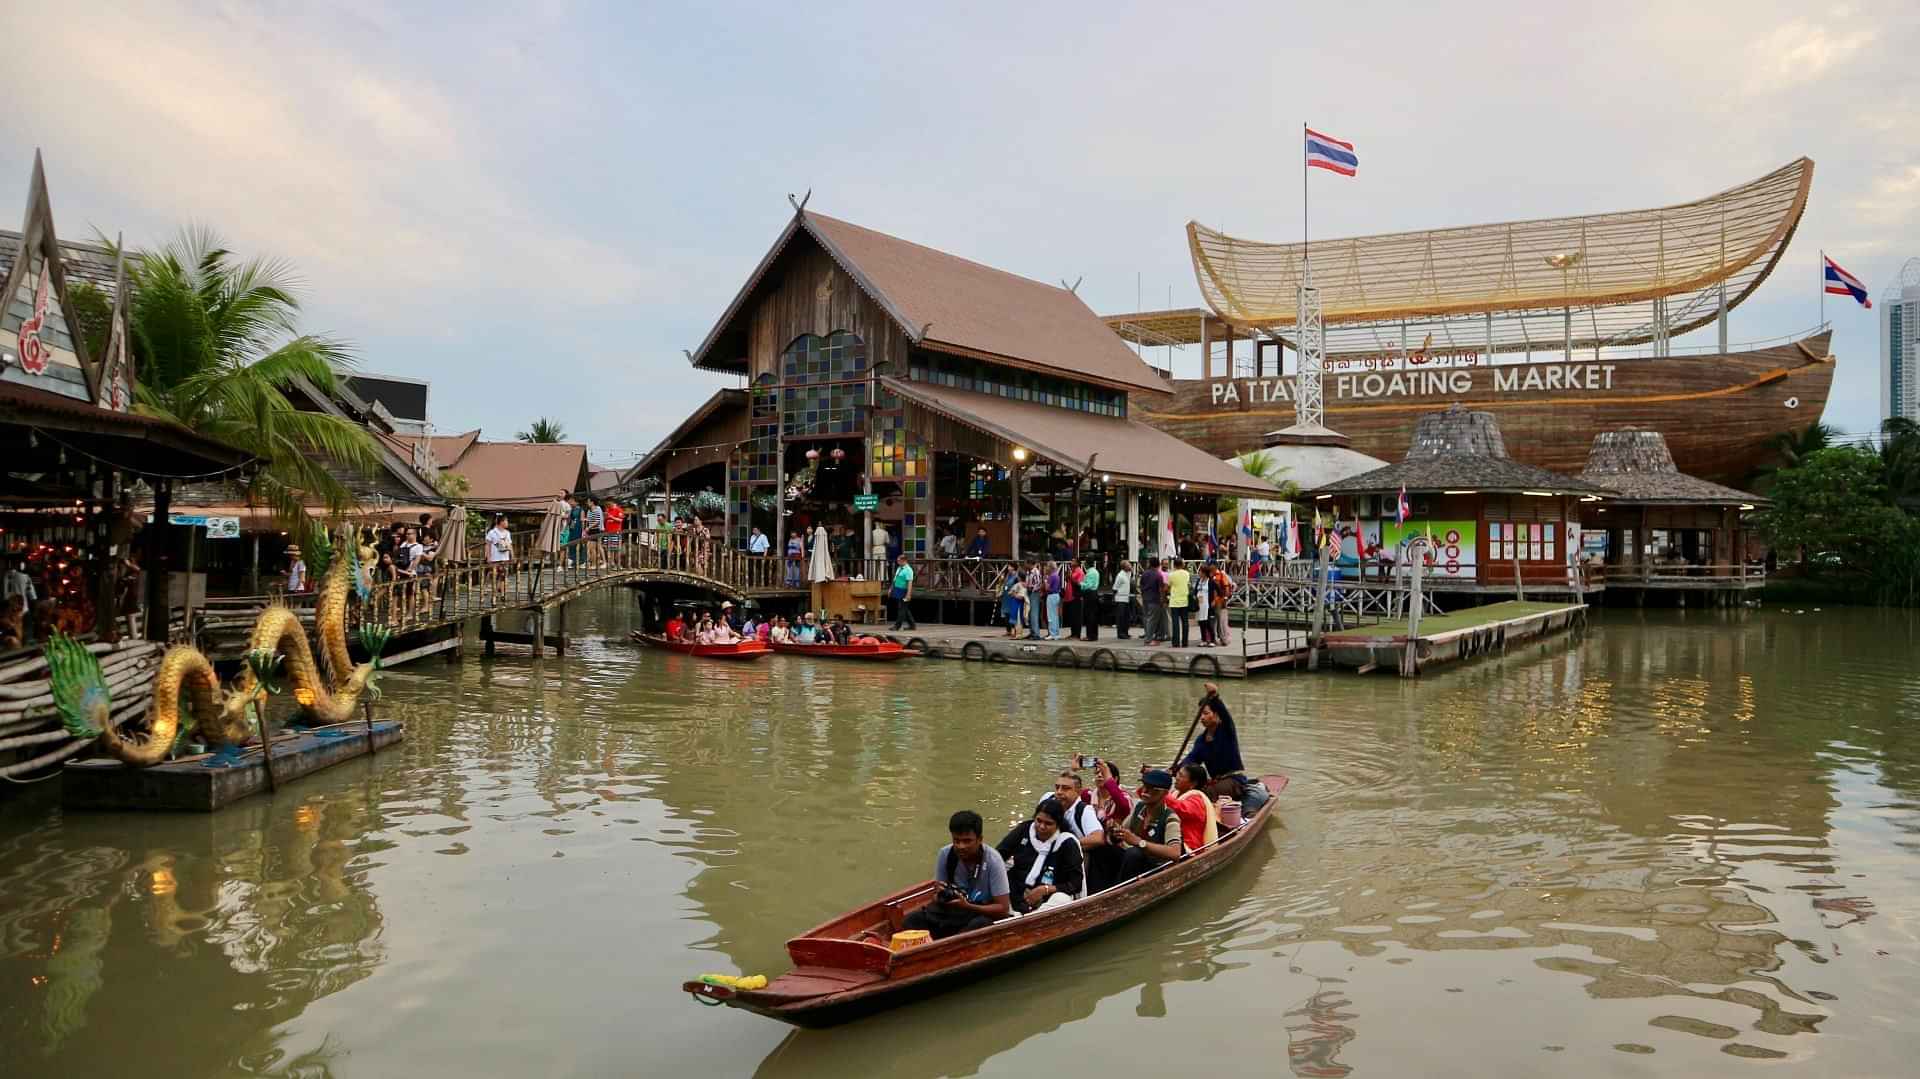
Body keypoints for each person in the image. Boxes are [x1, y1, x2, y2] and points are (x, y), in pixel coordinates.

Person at [902, 810, 1010, 939]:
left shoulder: (993, 860)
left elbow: (1003, 910)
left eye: (967, 841)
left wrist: (968, 906)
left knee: (981, 925)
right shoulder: (945, 854)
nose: (961, 846)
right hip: (952, 912)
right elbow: (937, 896)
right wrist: (939, 895)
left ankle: (945, 944)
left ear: (980, 839)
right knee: (912, 919)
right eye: (956, 840)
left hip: (977, 913)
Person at [1181, 685, 1268, 814]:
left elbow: (1225, 715)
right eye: (1200, 714)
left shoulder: (1226, 730)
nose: (1202, 718)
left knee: (1202, 794)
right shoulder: (1201, 740)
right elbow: (1191, 760)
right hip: (1217, 781)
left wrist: (1215, 696)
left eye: (1206, 713)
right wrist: (1172, 771)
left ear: (1216, 715)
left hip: (1234, 780)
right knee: (1188, 789)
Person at [995, 799, 1084, 914]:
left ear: (1058, 824)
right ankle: (1011, 913)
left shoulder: (1067, 843)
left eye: (1048, 823)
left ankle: (1030, 918)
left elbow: (1076, 884)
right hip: (1016, 892)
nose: (1041, 827)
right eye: (1038, 821)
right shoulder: (1024, 830)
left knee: (1062, 899)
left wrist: (1045, 890)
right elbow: (998, 855)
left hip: (1047, 899)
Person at [1110, 771, 1182, 884]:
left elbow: (1175, 853)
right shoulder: (1139, 808)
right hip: (1136, 864)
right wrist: (1115, 833)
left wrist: (1139, 842)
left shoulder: (1170, 817)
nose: (1145, 791)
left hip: (1156, 866)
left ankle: (1122, 888)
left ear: (1164, 793)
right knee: (1104, 848)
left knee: (1134, 853)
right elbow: (1123, 831)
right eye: (1145, 786)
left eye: (1153, 789)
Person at [1168, 763, 1221, 851]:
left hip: (1189, 847)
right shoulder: (1175, 794)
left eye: (1181, 776)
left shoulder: (1196, 800)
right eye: (1178, 773)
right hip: (1172, 840)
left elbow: (1179, 809)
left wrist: (1161, 792)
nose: (1176, 777)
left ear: (1193, 783)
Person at [1166, 558, 1192, 648]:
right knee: (1185, 622)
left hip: (1174, 601)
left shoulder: (1171, 575)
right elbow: (1189, 585)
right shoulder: (1187, 574)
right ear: (1182, 564)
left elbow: (1167, 587)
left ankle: (1176, 642)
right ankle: (1185, 642)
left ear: (1174, 565)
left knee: (1175, 623)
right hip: (1184, 600)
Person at [485, 515, 513, 596]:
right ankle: (486, 588)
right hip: (495, 557)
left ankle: (500, 590)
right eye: (506, 521)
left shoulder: (507, 533)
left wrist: (512, 554)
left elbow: (510, 544)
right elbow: (488, 545)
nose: (507, 523)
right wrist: (488, 556)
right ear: (501, 522)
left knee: (502, 574)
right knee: (491, 573)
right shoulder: (492, 532)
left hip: (505, 556)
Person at [1140, 557, 1165, 644]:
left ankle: (1150, 636)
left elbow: (1141, 586)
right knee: (1152, 620)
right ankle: (1148, 639)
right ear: (1158, 564)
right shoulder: (1158, 575)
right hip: (1154, 599)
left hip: (1145, 599)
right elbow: (1161, 589)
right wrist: (1162, 600)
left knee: (1146, 618)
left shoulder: (1144, 574)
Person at [888, 553, 916, 631]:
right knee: (904, 609)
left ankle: (897, 626)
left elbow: (909, 583)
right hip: (898, 590)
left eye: (899, 560)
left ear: (904, 561)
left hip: (904, 591)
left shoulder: (908, 570)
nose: (897, 562)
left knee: (902, 609)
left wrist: (908, 594)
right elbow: (895, 579)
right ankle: (912, 625)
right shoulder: (899, 568)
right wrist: (891, 589)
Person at [1209, 563, 1234, 646]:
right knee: (1213, 622)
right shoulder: (1210, 575)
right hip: (1212, 602)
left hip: (1220, 601)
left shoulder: (1221, 575)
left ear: (1215, 566)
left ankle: (1224, 639)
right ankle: (1213, 639)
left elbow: (1226, 588)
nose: (1210, 567)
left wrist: (1225, 599)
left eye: (1211, 565)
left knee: (1222, 622)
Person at [1000, 566, 1026, 638]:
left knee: (1017, 618)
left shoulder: (1020, 585)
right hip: (1014, 601)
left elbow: (1020, 596)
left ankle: (1017, 634)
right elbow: (1010, 591)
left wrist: (1013, 594)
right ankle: (1014, 633)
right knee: (1014, 618)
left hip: (1017, 603)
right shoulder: (1016, 583)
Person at [1078, 558, 1101, 641]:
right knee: (1094, 615)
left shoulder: (1090, 573)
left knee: (1089, 615)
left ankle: (1090, 635)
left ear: (1087, 564)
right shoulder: (1096, 571)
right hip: (1095, 593)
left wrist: (1080, 583)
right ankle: (1094, 635)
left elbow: (1088, 585)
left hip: (1089, 594)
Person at [1111, 561, 1133, 640]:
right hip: (1120, 599)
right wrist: (1114, 598)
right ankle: (1121, 633)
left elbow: (1131, 573)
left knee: (1126, 617)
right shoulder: (1120, 576)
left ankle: (1125, 632)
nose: (1130, 566)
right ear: (1124, 567)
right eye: (1128, 565)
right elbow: (1115, 588)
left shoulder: (1128, 573)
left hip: (1126, 598)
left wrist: (1131, 569)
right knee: (1121, 617)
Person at [1194, 561, 1214, 646]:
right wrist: (1195, 596)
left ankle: (1212, 640)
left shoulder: (1210, 581)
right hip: (1199, 604)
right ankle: (1204, 639)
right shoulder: (1199, 581)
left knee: (1207, 622)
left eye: (1200, 571)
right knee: (1201, 622)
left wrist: (1214, 601)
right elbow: (1195, 591)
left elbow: (1218, 591)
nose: (1199, 573)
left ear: (1205, 573)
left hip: (1207, 604)